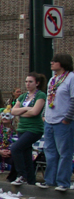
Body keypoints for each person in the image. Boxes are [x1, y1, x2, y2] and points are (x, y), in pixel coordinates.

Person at [38, 54, 73, 191]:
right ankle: (49, 180)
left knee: (64, 152)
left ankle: (63, 182)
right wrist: (44, 115)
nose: (51, 63)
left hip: (63, 121)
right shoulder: (53, 79)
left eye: (55, 61)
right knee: (50, 152)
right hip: (50, 120)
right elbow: (49, 99)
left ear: (63, 63)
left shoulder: (71, 78)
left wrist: (67, 118)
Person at [9, 73, 46, 186]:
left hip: (34, 129)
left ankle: (22, 175)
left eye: (30, 82)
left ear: (37, 83)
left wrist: (21, 112)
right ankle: (31, 181)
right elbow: (13, 111)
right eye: (26, 81)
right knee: (26, 154)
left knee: (15, 148)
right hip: (22, 128)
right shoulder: (23, 96)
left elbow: (35, 112)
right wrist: (25, 109)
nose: (28, 84)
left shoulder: (41, 95)